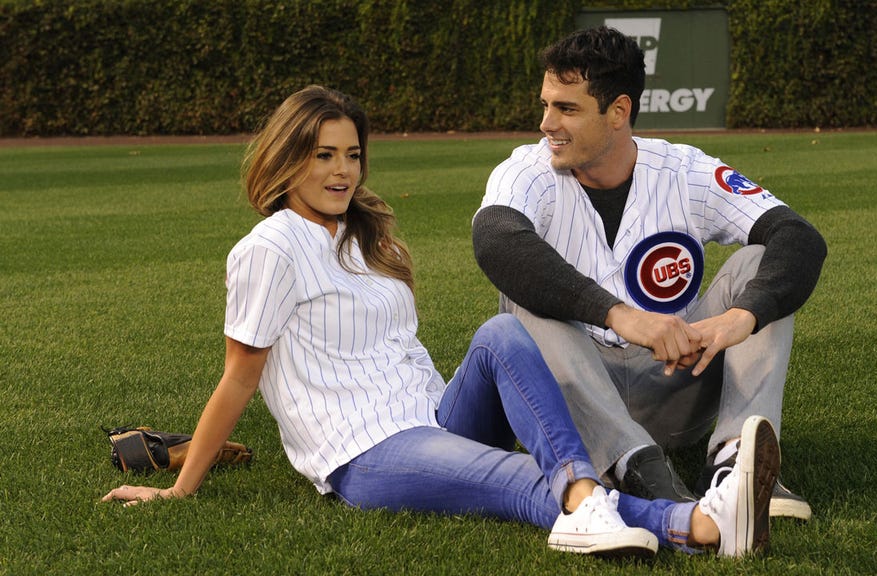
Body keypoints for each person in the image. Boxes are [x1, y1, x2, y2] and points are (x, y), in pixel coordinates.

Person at [102, 85, 783, 558]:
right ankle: (695, 523)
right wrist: (180, 489)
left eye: (352, 154)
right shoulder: (269, 249)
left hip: (433, 417)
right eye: (323, 155)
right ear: (287, 160)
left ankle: (589, 485)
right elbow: (239, 377)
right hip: (366, 453)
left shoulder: (360, 238)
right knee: (517, 480)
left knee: (502, 332)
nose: (342, 172)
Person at [472, 27, 827, 520]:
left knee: (757, 263)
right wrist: (620, 315)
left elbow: (798, 236)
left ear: (618, 111)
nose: (546, 123)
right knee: (523, 296)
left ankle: (734, 463)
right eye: (546, 104)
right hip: (574, 393)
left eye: (567, 109)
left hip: (675, 381)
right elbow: (495, 240)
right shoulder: (526, 170)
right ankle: (634, 464)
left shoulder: (684, 170)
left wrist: (742, 317)